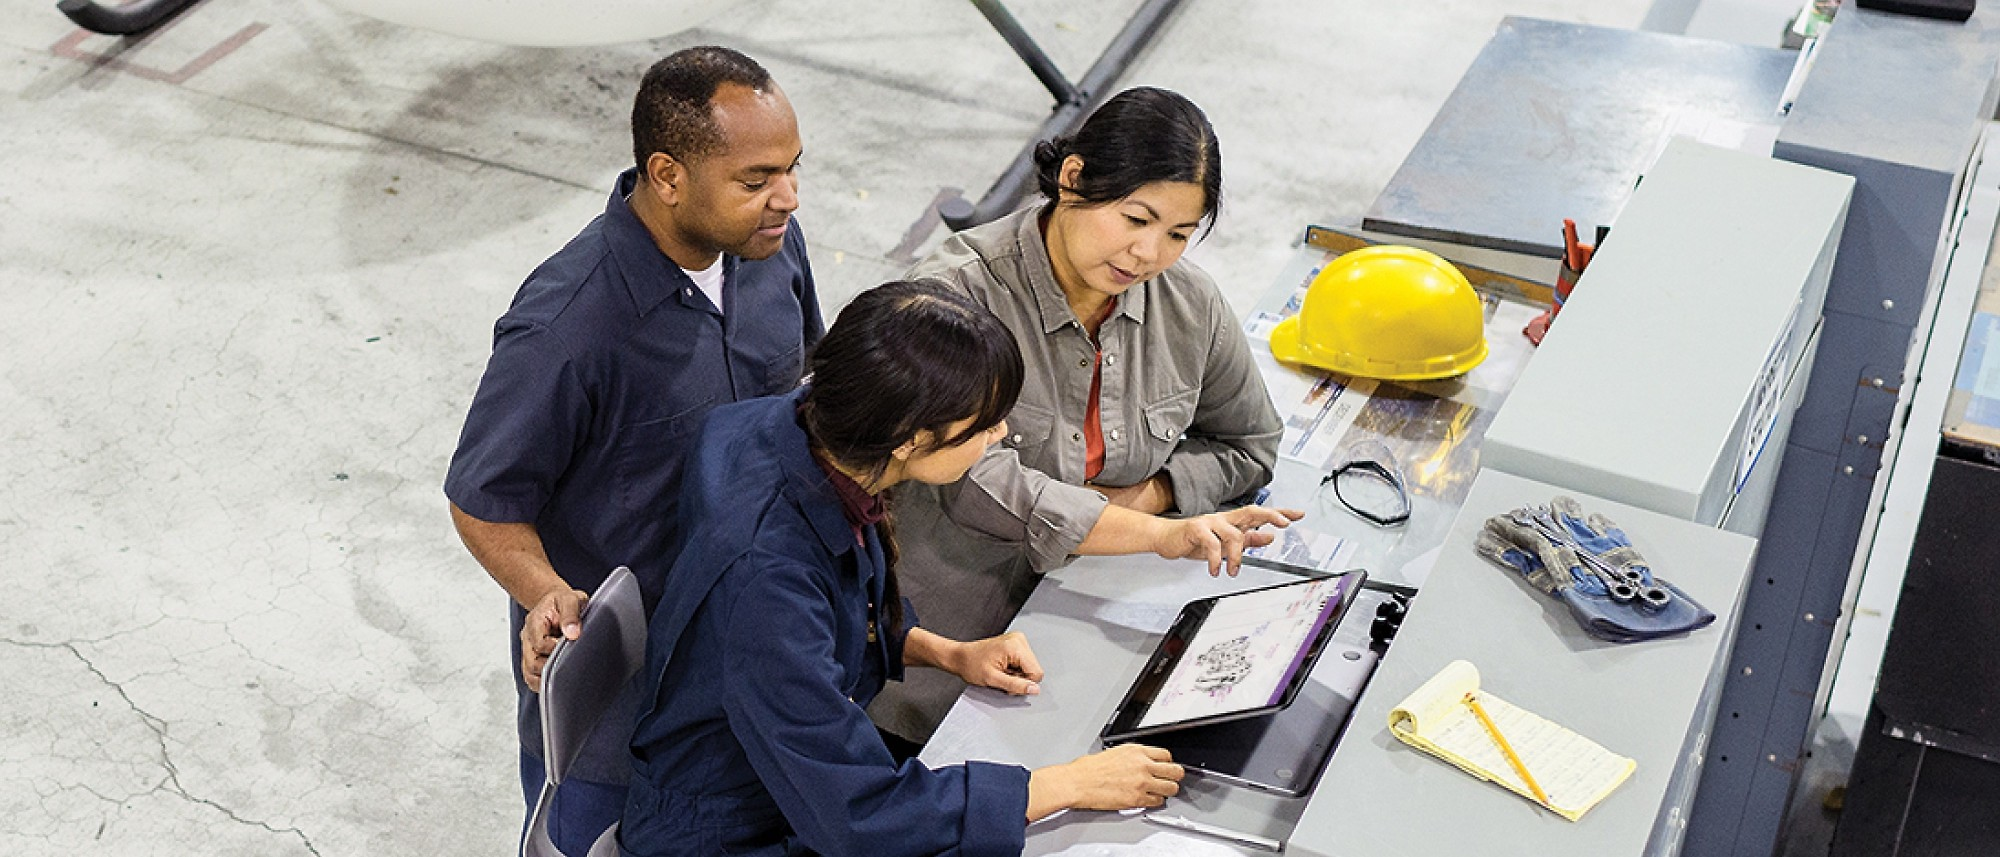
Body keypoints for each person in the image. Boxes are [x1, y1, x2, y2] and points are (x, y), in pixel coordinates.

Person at [624, 280, 1256, 857]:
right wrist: (1064, 784)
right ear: (909, 440)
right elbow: (857, 814)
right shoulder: (768, 578)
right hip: (733, 827)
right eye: (981, 427)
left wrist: (944, 651)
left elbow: (826, 613)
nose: (1001, 435)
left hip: (764, 768)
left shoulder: (783, 426)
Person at [442, 46, 815, 855]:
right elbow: (483, 499)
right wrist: (543, 591)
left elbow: (807, 393)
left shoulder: (770, 247)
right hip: (627, 714)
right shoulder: (568, 327)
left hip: (762, 658)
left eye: (790, 169)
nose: (786, 197)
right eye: (756, 179)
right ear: (668, 174)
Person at [871, 86, 1285, 746]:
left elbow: (1251, 440)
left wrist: (1152, 495)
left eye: (1178, 233)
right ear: (1073, 179)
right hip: (934, 667)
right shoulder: (958, 297)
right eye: (1135, 218)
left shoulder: (1188, 304)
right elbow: (977, 479)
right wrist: (1155, 533)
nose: (1149, 253)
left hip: (1093, 627)